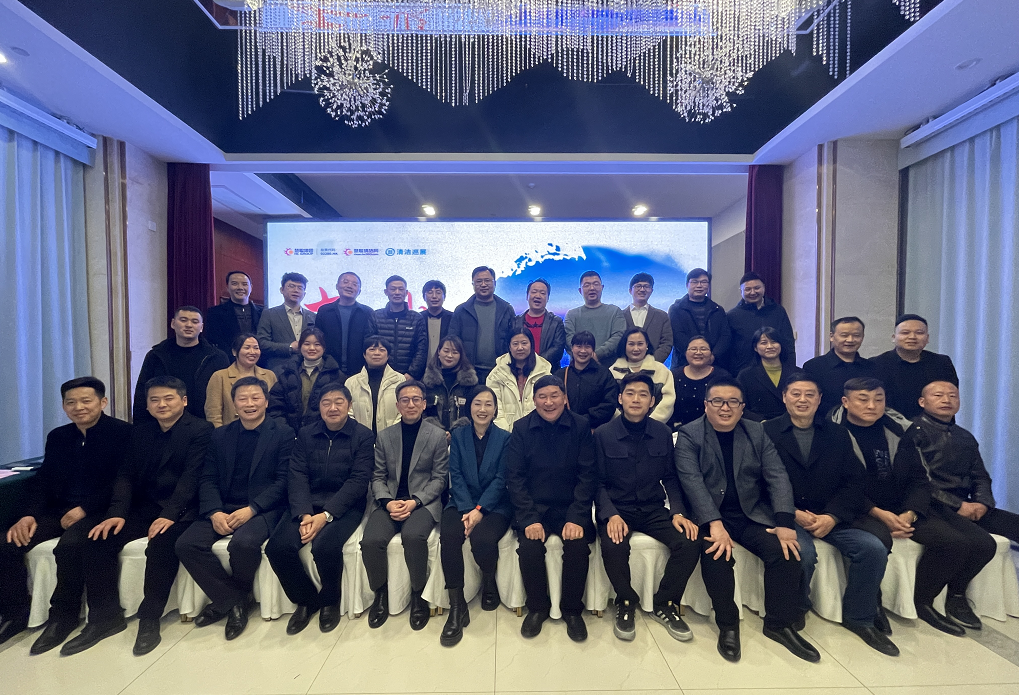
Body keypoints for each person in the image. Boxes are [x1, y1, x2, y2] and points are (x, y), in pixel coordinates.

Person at [830, 377, 995, 636]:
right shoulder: (834, 434)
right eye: (863, 399)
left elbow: (920, 479)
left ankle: (928, 599)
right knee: (880, 540)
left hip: (904, 505)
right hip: (861, 507)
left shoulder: (900, 431)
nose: (872, 405)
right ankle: (873, 602)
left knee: (981, 543)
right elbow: (839, 484)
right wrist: (879, 514)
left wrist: (910, 513)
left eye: (878, 399)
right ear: (846, 402)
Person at [674, 377, 820, 663]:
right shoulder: (690, 434)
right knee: (716, 555)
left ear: (742, 407)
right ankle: (728, 625)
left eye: (733, 402)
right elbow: (692, 482)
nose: (725, 408)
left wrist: (785, 522)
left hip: (750, 512)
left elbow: (777, 476)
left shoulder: (756, 431)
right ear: (706, 405)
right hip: (710, 515)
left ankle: (779, 624)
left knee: (785, 551)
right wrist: (715, 524)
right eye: (717, 401)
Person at [69, 376, 213, 656]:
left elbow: (191, 478)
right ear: (147, 405)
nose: (161, 404)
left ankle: (149, 618)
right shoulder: (141, 432)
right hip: (144, 506)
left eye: (168, 398)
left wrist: (170, 514)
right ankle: (105, 617)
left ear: (184, 401)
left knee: (161, 544)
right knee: (98, 538)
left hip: (183, 508)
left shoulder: (201, 430)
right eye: (154, 400)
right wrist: (117, 513)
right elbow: (125, 475)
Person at [763, 372, 897, 656]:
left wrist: (832, 517)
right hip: (787, 514)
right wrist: (791, 513)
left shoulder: (837, 433)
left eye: (810, 394)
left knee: (872, 549)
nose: (802, 400)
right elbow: (756, 483)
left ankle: (860, 617)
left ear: (820, 399)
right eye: (795, 394)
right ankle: (797, 606)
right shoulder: (766, 431)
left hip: (830, 513)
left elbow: (854, 482)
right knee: (802, 552)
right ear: (784, 397)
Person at [0, 378, 131, 653]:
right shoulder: (59, 437)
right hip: (59, 510)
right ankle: (15, 613)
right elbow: (44, 480)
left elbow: (125, 480)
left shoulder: (123, 433)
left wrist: (85, 509)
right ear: (64, 406)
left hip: (100, 509)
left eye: (86, 401)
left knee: (71, 545)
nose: (78, 407)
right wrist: (29, 515)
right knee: (7, 543)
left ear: (103, 402)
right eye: (71, 402)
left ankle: (65, 616)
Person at [175, 377, 294, 641]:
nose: (249, 403)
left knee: (243, 544)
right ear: (234, 403)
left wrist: (252, 509)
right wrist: (214, 511)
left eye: (255, 398)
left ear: (266, 401)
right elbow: (208, 478)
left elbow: (283, 481)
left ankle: (227, 602)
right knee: (186, 544)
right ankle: (235, 601)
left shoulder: (282, 433)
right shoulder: (220, 435)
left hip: (262, 509)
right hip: (222, 506)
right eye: (243, 398)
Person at [595, 373, 701, 643]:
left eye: (643, 394)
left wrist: (678, 512)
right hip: (618, 508)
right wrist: (610, 515)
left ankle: (665, 602)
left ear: (652, 401)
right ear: (620, 398)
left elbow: (671, 478)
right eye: (630, 393)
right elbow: (597, 483)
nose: (636, 399)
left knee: (689, 541)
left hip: (653, 508)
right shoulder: (604, 434)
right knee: (613, 545)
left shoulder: (662, 433)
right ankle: (625, 601)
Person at [264, 383, 374, 636]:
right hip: (306, 503)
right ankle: (306, 600)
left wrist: (325, 516)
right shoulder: (305, 434)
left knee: (325, 547)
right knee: (277, 548)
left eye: (339, 402)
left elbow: (358, 481)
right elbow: (297, 475)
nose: (333, 408)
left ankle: (329, 601)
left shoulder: (363, 436)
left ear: (349, 405)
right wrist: (305, 514)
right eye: (326, 403)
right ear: (319, 407)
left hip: (344, 505)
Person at [504, 375, 596, 642]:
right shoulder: (521, 428)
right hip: (535, 508)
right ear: (533, 401)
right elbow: (515, 478)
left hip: (570, 507)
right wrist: (529, 518)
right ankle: (537, 608)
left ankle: (572, 610)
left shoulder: (581, 426)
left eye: (554, 395)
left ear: (564, 398)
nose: (548, 402)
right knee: (529, 549)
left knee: (578, 547)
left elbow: (588, 476)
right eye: (542, 397)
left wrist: (577, 517)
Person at [362, 380, 449, 631]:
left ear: (424, 404)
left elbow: (439, 478)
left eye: (416, 399)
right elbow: (378, 476)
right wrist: (388, 502)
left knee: (413, 537)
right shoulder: (385, 436)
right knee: (371, 541)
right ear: (398, 405)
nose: (411, 404)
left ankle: (418, 595)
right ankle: (380, 594)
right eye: (405, 400)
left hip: (422, 502)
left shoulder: (436, 436)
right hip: (389, 501)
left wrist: (415, 501)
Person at [438, 386, 513, 647]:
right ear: (469, 407)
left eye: (488, 404)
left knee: (483, 539)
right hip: (461, 501)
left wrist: (480, 511)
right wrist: (468, 509)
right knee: (449, 536)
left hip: (495, 505)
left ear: (495, 409)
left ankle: (489, 580)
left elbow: (502, 479)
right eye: (477, 403)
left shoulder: (505, 438)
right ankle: (457, 605)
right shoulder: (458, 436)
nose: (482, 409)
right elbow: (455, 475)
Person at [910, 381, 1019, 542]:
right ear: (922, 401)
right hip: (931, 505)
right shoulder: (911, 432)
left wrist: (982, 503)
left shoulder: (965, 436)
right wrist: (957, 505)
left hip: (965, 503)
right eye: (938, 395)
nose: (946, 400)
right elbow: (917, 481)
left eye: (953, 396)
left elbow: (980, 476)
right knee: (977, 542)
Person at [133, 306, 229, 422]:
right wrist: (140, 426)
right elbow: (142, 392)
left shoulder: (217, 357)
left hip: (204, 423)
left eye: (195, 322)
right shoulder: (156, 355)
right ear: (173, 323)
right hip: (162, 424)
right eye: (183, 320)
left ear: (201, 327)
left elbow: (225, 395)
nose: (189, 325)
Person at [872, 315, 959, 419]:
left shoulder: (941, 363)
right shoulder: (876, 364)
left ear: (927, 338)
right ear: (894, 337)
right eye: (905, 333)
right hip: (890, 424)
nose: (912, 337)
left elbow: (951, 397)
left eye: (919, 333)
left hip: (934, 424)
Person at [268, 328, 345, 433]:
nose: (312, 348)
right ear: (300, 347)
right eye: (307, 344)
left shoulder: (337, 376)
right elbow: (275, 406)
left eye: (317, 344)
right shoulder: (287, 374)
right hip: (289, 435)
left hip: (323, 434)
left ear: (324, 348)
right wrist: (285, 431)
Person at [448, 266, 516, 384]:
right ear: (473, 284)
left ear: (494, 283)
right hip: (469, 371)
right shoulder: (461, 310)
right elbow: (452, 341)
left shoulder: (506, 309)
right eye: (479, 281)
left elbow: (514, 339)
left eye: (487, 280)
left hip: (500, 370)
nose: (483, 284)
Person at [804, 316, 877, 417]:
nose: (850, 340)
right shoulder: (814, 366)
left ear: (862, 337)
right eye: (844, 335)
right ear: (831, 336)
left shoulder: (872, 367)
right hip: (825, 423)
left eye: (856, 335)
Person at [726, 271, 797, 375]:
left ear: (764, 287)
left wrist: (791, 369)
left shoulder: (778, 311)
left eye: (757, 288)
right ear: (741, 291)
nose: (753, 292)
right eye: (748, 289)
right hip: (742, 372)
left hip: (776, 370)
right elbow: (728, 348)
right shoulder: (732, 315)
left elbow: (788, 342)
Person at [486, 328, 553, 432]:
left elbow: (547, 406)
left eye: (524, 343)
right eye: (515, 344)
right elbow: (494, 407)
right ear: (509, 347)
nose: (520, 348)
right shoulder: (496, 374)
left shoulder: (544, 372)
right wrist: (505, 433)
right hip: (505, 432)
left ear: (531, 345)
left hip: (538, 431)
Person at [206, 333, 278, 428]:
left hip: (264, 431)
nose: (252, 352)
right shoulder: (220, 376)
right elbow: (213, 413)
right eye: (247, 348)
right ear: (234, 352)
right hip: (231, 432)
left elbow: (275, 408)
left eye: (256, 348)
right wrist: (221, 434)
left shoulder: (269, 375)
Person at [315, 272, 379, 376]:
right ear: (337, 286)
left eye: (354, 284)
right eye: (345, 282)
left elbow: (372, 341)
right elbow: (318, 340)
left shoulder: (367, 312)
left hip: (360, 371)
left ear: (359, 291)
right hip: (328, 369)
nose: (349, 286)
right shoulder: (324, 311)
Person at [608, 327, 676, 424]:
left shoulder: (662, 370)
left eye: (640, 344)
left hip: (655, 427)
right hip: (618, 427)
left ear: (647, 345)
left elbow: (668, 400)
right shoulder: (611, 372)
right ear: (624, 346)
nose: (636, 348)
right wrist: (624, 422)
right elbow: (609, 401)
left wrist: (650, 423)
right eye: (631, 344)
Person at [554, 331, 619, 430]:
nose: (583, 351)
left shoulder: (604, 374)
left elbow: (609, 405)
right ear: (572, 348)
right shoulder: (560, 375)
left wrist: (583, 420)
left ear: (593, 350)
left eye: (587, 347)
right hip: (564, 429)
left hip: (594, 430)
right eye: (579, 346)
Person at [668, 268, 730, 369]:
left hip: (713, 364)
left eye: (704, 282)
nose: (699, 285)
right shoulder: (676, 309)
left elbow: (725, 336)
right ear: (687, 285)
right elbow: (677, 336)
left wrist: (712, 356)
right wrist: (694, 356)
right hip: (683, 364)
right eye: (695, 282)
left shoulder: (717, 310)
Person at [256, 272, 316, 372]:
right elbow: (262, 343)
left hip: (307, 370)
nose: (296, 290)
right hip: (279, 369)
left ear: (304, 294)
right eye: (291, 286)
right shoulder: (269, 314)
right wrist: (289, 347)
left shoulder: (313, 316)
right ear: (282, 290)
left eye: (300, 288)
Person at [564, 271, 626, 364]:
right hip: (579, 368)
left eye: (596, 284)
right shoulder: (571, 314)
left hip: (610, 367)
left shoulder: (615, 311)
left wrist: (597, 354)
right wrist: (585, 354)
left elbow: (618, 336)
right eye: (587, 285)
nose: (592, 288)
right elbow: (568, 339)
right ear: (580, 290)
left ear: (602, 287)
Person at [373, 275, 428, 380]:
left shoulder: (416, 318)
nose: (397, 292)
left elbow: (421, 349)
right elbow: (370, 346)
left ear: (406, 293)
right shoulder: (375, 316)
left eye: (401, 289)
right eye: (393, 289)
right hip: (381, 375)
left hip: (408, 376)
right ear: (386, 292)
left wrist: (412, 373)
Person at [346, 336, 404, 434]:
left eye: (382, 350)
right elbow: (347, 410)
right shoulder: (351, 382)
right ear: (364, 354)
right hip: (359, 436)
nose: (377, 353)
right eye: (372, 349)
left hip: (393, 435)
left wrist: (391, 432)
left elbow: (404, 408)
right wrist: (360, 432)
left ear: (388, 355)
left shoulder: (400, 380)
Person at [422, 335, 479, 434]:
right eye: (446, 351)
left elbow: (475, 411)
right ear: (439, 351)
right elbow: (421, 411)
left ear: (461, 355)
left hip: (463, 435)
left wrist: (456, 433)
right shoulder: (427, 381)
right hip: (432, 435)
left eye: (455, 352)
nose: (450, 355)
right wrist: (439, 433)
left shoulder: (470, 383)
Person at [672, 336, 731, 428]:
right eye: (693, 349)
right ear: (686, 352)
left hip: (713, 428)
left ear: (711, 353)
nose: (698, 352)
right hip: (677, 428)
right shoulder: (674, 376)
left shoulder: (722, 376)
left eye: (703, 349)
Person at [204, 270, 264, 357]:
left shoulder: (264, 312)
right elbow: (214, 340)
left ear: (251, 287)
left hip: (259, 360)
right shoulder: (214, 313)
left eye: (244, 284)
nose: (240, 287)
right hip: (229, 360)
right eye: (235, 284)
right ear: (227, 287)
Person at [736, 326, 789, 420]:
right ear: (755, 348)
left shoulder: (796, 373)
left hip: (790, 422)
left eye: (774, 342)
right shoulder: (745, 375)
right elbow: (738, 404)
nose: (770, 346)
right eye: (764, 343)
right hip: (758, 424)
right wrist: (760, 422)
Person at [513, 278, 566, 367]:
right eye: (534, 292)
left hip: (548, 371)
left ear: (548, 298)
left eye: (542, 293)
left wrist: (535, 363)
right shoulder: (515, 321)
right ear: (527, 296)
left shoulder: (556, 322)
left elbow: (558, 348)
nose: (538, 296)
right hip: (520, 370)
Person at [622, 273, 673, 363]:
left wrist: (651, 362)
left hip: (654, 366)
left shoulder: (662, 316)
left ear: (651, 290)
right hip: (624, 366)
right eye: (638, 286)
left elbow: (666, 343)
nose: (642, 289)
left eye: (646, 286)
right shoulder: (620, 315)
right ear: (630, 290)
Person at [421, 279, 453, 361]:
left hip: (446, 365)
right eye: (430, 292)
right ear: (424, 297)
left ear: (444, 297)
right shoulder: (418, 318)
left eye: (438, 292)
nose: (434, 296)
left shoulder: (453, 318)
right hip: (421, 366)